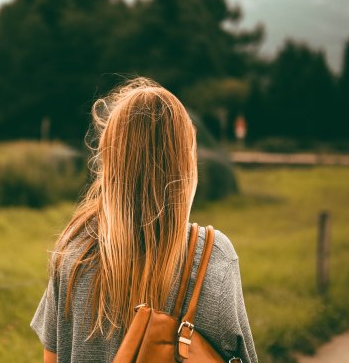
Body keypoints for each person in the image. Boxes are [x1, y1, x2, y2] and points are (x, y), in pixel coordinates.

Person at [30, 77, 258, 363]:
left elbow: (52, 358)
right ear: (184, 162)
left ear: (110, 159)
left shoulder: (74, 254)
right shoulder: (213, 256)